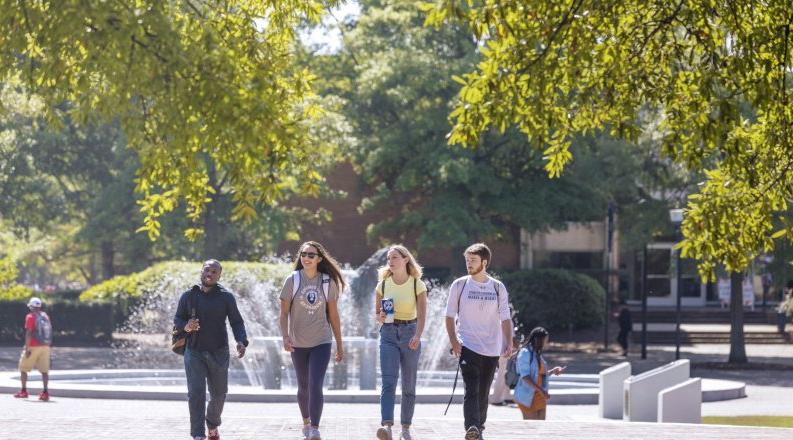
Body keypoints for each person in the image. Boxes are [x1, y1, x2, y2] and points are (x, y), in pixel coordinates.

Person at [174, 260, 249, 440]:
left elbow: (236, 322)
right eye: (207, 269)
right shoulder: (188, 295)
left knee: (219, 394)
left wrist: (241, 341)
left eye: (214, 271)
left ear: (219, 275)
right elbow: (177, 318)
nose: (210, 273)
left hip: (219, 352)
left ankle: (212, 423)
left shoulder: (226, 297)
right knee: (195, 394)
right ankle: (198, 434)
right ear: (202, 271)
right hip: (194, 351)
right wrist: (186, 326)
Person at [445, 243, 513, 440]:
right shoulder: (459, 285)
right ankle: (471, 427)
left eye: (473, 260)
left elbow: (505, 318)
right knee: (471, 388)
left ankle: (479, 427)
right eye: (467, 260)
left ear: (484, 262)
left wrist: (508, 342)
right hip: (467, 345)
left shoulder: (498, 287)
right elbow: (449, 316)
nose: (469, 264)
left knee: (483, 391)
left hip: (492, 348)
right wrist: (454, 341)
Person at [279, 241, 345, 440]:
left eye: (311, 255)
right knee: (304, 386)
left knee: (316, 383)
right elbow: (283, 314)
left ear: (319, 259)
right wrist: (285, 337)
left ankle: (315, 428)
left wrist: (339, 345)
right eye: (303, 254)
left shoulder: (327, 282)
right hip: (298, 342)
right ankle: (306, 423)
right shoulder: (292, 280)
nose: (306, 258)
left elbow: (334, 316)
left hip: (321, 341)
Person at [374, 245, 428, 440]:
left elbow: (422, 316)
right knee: (388, 382)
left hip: (410, 333)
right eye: (389, 258)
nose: (391, 260)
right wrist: (380, 315)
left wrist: (417, 335)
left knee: (409, 384)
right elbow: (377, 316)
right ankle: (387, 426)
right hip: (388, 333)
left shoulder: (417, 284)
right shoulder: (383, 285)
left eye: (395, 257)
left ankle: (405, 427)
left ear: (406, 259)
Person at [514, 327, 566, 420]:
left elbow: (539, 375)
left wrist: (552, 371)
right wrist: (541, 391)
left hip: (540, 397)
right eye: (545, 340)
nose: (546, 343)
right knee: (531, 428)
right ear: (538, 340)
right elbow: (525, 377)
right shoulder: (525, 353)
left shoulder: (536, 354)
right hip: (527, 396)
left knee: (540, 428)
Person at [14, 297, 52, 401]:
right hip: (45, 346)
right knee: (44, 371)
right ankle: (45, 393)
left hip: (33, 346)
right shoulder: (45, 316)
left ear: (31, 306)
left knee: (23, 369)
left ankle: (23, 391)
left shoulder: (30, 316)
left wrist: (26, 348)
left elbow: (29, 333)